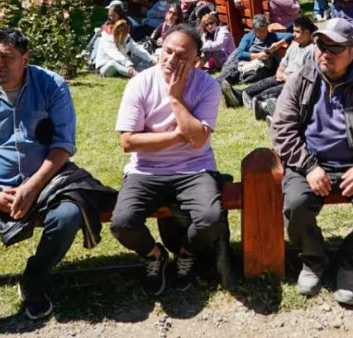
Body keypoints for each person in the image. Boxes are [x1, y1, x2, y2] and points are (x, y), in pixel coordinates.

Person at [0, 28, 111, 334]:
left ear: (25, 59)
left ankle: (34, 281)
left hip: (46, 181)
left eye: (7, 57)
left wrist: (32, 187)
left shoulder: (51, 85)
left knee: (68, 216)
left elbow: (63, 144)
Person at [269, 18, 353, 306]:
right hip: (310, 162)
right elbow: (282, 129)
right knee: (296, 204)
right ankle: (313, 260)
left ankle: (349, 265)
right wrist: (309, 166)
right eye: (321, 44)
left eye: (334, 47)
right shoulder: (302, 78)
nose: (325, 52)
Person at [110, 25, 227, 295]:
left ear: (196, 61)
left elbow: (198, 140)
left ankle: (186, 252)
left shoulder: (208, 86)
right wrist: (179, 135)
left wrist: (175, 98)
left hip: (194, 168)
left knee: (211, 219)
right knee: (122, 223)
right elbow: (128, 143)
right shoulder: (140, 83)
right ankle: (154, 255)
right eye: (168, 51)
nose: (172, 60)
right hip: (145, 171)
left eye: (182, 56)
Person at [240, 16, 316, 115]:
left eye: (297, 32)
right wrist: (279, 72)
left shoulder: (312, 50)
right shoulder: (294, 45)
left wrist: (287, 78)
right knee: (260, 85)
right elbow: (284, 62)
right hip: (282, 76)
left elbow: (304, 75)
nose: (294, 34)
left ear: (307, 33)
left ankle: (262, 106)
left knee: (264, 94)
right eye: (293, 31)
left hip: (293, 83)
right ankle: (241, 95)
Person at [217, 15, 284, 107]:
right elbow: (239, 54)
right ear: (253, 30)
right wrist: (257, 55)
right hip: (246, 61)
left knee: (251, 72)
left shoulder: (272, 36)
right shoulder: (248, 36)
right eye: (259, 31)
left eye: (264, 30)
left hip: (260, 66)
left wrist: (278, 44)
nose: (262, 33)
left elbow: (290, 35)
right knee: (234, 68)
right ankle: (218, 85)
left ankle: (225, 89)